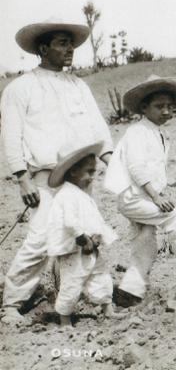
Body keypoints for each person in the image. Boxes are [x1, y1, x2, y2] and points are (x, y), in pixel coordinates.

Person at [1, 20, 113, 325]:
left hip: (79, 177)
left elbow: (98, 128)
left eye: (71, 44)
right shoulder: (20, 88)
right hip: (43, 176)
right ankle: (12, 303)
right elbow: (11, 136)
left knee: (82, 235)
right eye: (62, 43)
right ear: (43, 48)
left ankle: (75, 297)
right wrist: (21, 177)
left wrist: (109, 160)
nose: (69, 50)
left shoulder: (79, 86)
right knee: (40, 238)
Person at [104, 75, 176, 306]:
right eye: (159, 106)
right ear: (144, 107)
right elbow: (136, 167)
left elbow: (154, 168)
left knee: (145, 243)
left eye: (169, 107)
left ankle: (130, 291)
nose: (165, 111)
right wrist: (156, 196)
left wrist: (159, 191)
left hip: (145, 195)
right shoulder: (137, 132)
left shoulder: (159, 133)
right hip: (134, 197)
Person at [46, 141, 122, 325]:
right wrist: (81, 236)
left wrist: (97, 235)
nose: (92, 177)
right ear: (73, 172)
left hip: (90, 247)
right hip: (74, 250)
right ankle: (65, 320)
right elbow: (70, 222)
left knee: (101, 276)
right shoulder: (66, 195)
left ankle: (108, 308)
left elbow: (91, 219)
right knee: (72, 283)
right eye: (89, 172)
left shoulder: (81, 194)